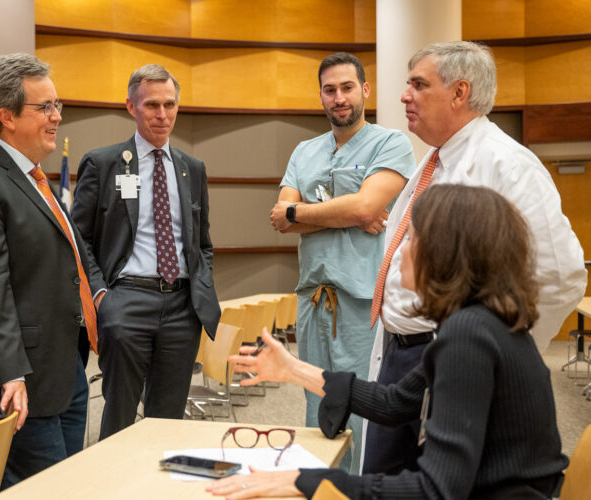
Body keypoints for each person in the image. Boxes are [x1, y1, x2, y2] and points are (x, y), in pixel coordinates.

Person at [208, 184, 568, 499]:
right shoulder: (478, 323)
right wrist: (292, 369)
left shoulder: (468, 336)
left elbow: (436, 491)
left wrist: (309, 481)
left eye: (410, 238)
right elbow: (394, 402)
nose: (399, 251)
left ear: (442, 253)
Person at [364, 41, 587, 475]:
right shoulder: (434, 161)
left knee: (431, 482)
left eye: (418, 85)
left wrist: (494, 353)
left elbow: (561, 275)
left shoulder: (509, 164)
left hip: (451, 356)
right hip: (402, 354)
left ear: (459, 92)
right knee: (386, 477)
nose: (404, 96)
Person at [0, 53, 94, 488]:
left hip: (65, 370)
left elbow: (74, 260)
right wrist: (11, 372)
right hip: (19, 381)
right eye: (45, 107)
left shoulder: (36, 179)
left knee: (70, 484)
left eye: (57, 105)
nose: (57, 116)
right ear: (6, 116)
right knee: (43, 490)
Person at [268, 52, 415, 472]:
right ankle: (321, 488)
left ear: (365, 90)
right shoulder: (304, 151)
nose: (339, 98)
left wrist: (309, 211)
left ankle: (361, 489)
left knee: (363, 406)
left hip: (363, 303)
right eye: (330, 90)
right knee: (315, 404)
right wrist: (347, 213)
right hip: (313, 301)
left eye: (347, 87)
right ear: (320, 96)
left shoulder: (390, 143)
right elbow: (281, 218)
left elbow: (366, 207)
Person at [71, 64, 221, 439]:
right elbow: (78, 239)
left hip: (182, 307)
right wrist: (102, 296)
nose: (162, 114)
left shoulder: (192, 169)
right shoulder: (103, 163)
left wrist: (201, 287)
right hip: (126, 300)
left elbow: (202, 242)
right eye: (152, 105)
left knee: (167, 421)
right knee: (120, 416)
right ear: (131, 106)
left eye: (170, 104)